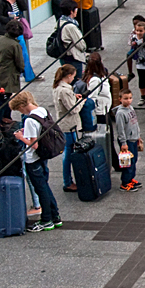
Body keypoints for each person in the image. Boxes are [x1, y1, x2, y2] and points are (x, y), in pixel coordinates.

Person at [10, 92, 61, 232]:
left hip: (33, 159)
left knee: (40, 189)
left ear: (22, 106)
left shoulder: (29, 120)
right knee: (45, 185)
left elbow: (34, 145)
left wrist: (21, 137)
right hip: (43, 156)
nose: (20, 112)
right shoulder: (42, 111)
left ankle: (46, 220)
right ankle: (55, 215)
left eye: (19, 109)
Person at [0, 0, 35, 83]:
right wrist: (10, 20)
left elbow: (24, 7)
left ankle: (29, 75)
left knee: (23, 52)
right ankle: (16, 74)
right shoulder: (1, 1)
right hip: (7, 30)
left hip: (18, 28)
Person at [51, 64, 83, 193]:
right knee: (69, 153)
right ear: (69, 76)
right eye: (73, 77)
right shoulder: (65, 90)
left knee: (68, 152)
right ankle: (67, 182)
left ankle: (68, 180)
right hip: (69, 125)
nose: (74, 79)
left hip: (64, 124)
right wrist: (81, 101)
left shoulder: (58, 87)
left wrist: (74, 98)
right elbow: (73, 109)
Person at [0, 20, 24, 119]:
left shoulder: (0, 39)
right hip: (7, 78)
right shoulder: (15, 45)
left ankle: (4, 120)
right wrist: (21, 70)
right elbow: (20, 63)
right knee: (4, 101)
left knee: (2, 100)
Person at [113, 89, 142, 192]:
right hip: (127, 140)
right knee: (127, 162)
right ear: (120, 99)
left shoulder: (131, 108)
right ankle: (125, 182)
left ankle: (130, 178)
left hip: (133, 138)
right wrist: (123, 143)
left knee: (134, 160)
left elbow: (135, 124)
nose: (128, 101)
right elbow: (120, 129)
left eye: (130, 98)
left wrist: (138, 136)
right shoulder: (120, 113)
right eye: (125, 98)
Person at [57, 0, 86, 79]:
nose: (77, 11)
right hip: (73, 57)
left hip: (64, 56)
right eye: (75, 9)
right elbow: (81, 44)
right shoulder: (71, 26)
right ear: (71, 11)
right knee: (75, 81)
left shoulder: (60, 21)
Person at [84, 52, 112, 126]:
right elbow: (92, 97)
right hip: (100, 111)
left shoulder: (100, 74)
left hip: (104, 109)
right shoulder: (95, 80)